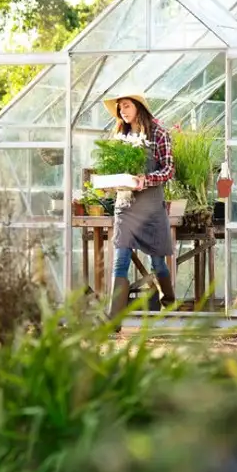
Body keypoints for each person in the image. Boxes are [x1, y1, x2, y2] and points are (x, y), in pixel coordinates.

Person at [101, 93, 176, 328]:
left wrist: (147, 179)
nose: (122, 111)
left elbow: (169, 169)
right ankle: (114, 319)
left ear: (138, 107)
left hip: (151, 209)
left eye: (126, 106)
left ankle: (169, 303)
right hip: (125, 207)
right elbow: (112, 169)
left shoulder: (158, 133)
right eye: (119, 108)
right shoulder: (119, 136)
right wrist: (110, 183)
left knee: (157, 263)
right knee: (120, 261)